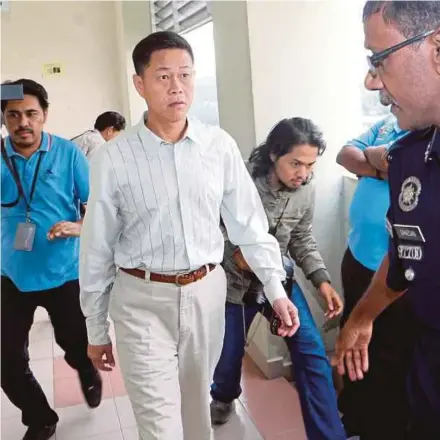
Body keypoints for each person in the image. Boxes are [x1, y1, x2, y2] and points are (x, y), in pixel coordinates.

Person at [79, 31, 299, 440]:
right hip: (140, 299)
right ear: (139, 84)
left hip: (206, 293)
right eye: (163, 76)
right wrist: (95, 329)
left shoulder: (217, 146)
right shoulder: (113, 157)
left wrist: (276, 289)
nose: (177, 86)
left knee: (196, 409)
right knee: (158, 425)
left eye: (185, 74)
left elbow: (249, 225)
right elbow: (97, 248)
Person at [333, 2, 440, 439]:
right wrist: (362, 318)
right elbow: (404, 255)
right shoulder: (411, 158)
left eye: (380, 59)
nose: (371, 81)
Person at [210, 117, 346, 439]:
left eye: (310, 165)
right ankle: (224, 395)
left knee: (311, 352)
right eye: (295, 163)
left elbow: (300, 238)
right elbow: (208, 227)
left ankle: (329, 435)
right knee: (228, 356)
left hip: (278, 283)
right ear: (274, 154)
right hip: (232, 286)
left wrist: (322, 281)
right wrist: (233, 253)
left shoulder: (305, 189)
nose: (303, 173)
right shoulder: (238, 179)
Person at [1, 79, 102, 440]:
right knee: (7, 361)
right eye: (13, 115)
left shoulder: (67, 153)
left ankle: (86, 371)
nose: (22, 122)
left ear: (44, 115)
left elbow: (98, 208)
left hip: (64, 273)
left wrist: (78, 226)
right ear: (4, 117)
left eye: (31, 113)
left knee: (76, 347)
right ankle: (41, 418)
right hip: (11, 276)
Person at [336, 115, 415, 439]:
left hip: (394, 274)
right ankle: (353, 417)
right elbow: (345, 155)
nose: (375, 83)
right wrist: (384, 168)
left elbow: (401, 165)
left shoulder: (425, 133)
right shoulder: (388, 123)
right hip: (357, 257)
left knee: (385, 357)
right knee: (352, 341)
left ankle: (377, 428)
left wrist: (375, 159)